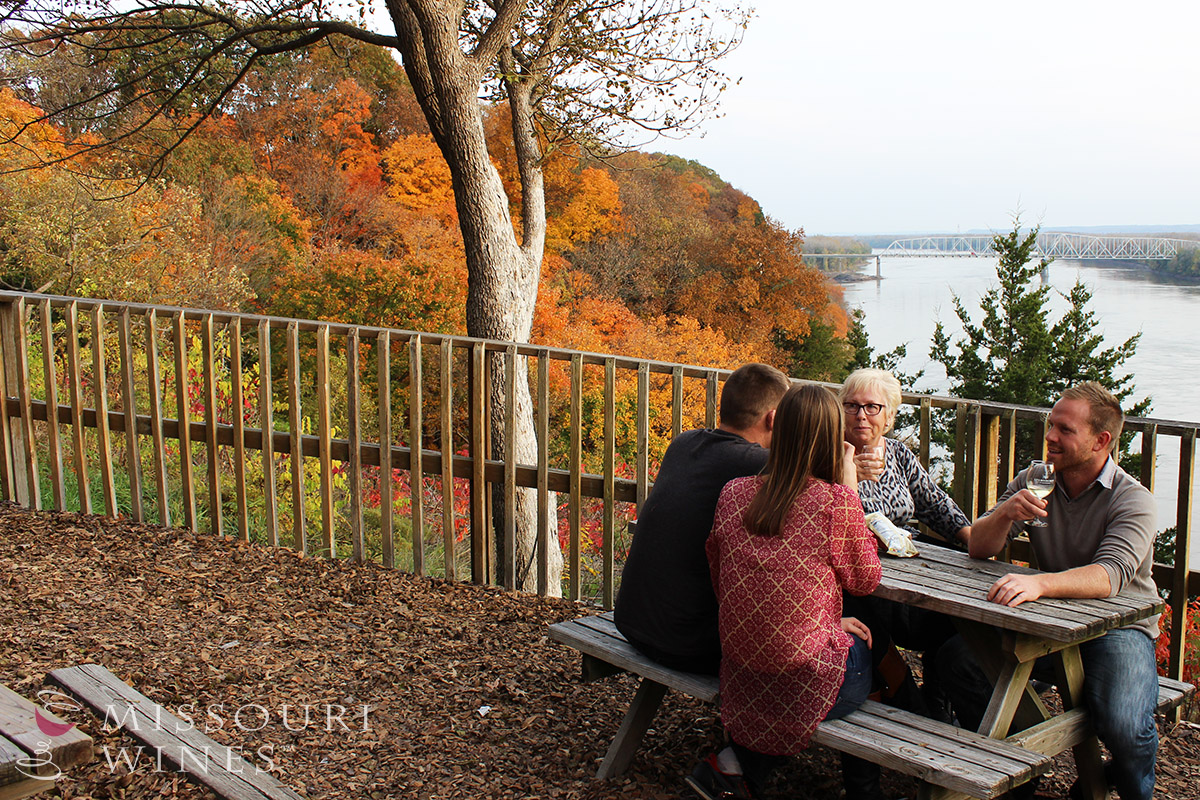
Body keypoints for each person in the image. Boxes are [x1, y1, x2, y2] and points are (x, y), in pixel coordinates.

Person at [937, 382, 1159, 800]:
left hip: (1116, 630)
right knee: (956, 662)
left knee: (1125, 726)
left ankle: (1126, 785)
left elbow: (1109, 576)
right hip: (1048, 622)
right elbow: (979, 547)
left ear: (1101, 440)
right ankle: (1023, 764)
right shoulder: (1036, 479)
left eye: (1065, 429)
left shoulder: (1133, 500)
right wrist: (1005, 513)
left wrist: (1039, 582)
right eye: (1050, 424)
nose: (1050, 436)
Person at [691, 384, 883, 800]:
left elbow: (721, 571)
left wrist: (826, 623)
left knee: (852, 639)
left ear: (782, 430)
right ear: (834, 438)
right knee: (877, 649)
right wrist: (850, 492)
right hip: (801, 676)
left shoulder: (734, 492)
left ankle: (733, 768)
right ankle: (877, 784)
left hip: (740, 669)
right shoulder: (836, 502)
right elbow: (865, 580)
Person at [614, 362, 790, 675]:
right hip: (688, 644)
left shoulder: (684, 443)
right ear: (774, 418)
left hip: (634, 621)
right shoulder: (757, 464)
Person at [839, 368, 970, 720]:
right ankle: (914, 708)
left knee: (957, 619)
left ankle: (938, 698)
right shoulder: (831, 454)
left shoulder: (898, 454)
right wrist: (846, 475)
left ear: (890, 416)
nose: (861, 415)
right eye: (851, 406)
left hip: (909, 570)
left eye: (872, 407)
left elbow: (935, 505)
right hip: (862, 580)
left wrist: (972, 538)